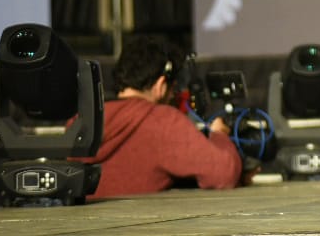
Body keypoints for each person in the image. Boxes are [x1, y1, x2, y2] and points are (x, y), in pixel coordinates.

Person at [80, 37, 243, 200]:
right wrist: (219, 135)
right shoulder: (162, 120)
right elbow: (223, 173)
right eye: (173, 89)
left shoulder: (81, 120)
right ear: (161, 85)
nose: (173, 95)